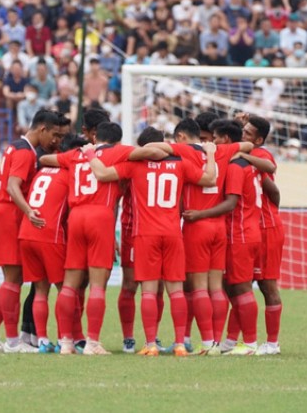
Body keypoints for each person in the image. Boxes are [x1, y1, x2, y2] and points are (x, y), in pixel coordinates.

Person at [85, 126, 217, 356]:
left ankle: (150, 344)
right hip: (174, 232)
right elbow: (209, 178)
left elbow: (103, 174)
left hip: (145, 234)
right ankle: (178, 344)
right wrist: (212, 153)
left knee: (147, 290)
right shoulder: (180, 164)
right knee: (175, 291)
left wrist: (89, 155)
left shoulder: (135, 165)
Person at [39, 121, 164, 355]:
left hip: (75, 217)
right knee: (98, 284)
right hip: (100, 216)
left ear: (95, 138)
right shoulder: (118, 151)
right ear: (117, 140)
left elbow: (45, 160)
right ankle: (92, 343)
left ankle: (65, 342)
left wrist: (77, 159)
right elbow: (153, 152)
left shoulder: (76, 154)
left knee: (69, 284)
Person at [148, 117, 255, 355]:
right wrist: (217, 151)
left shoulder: (182, 150)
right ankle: (216, 342)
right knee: (216, 287)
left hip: (197, 223)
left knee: (198, 288)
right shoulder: (223, 150)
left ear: (182, 137)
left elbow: (155, 148)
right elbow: (248, 146)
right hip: (219, 227)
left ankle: (207, 343)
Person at [0, 109, 68, 354]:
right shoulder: (25, 152)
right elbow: (10, 186)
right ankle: (12, 342)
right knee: (13, 280)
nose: (55, 142)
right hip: (10, 215)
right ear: (42, 129)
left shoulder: (14, 146)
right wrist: (28, 210)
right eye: (54, 135)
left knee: (12, 280)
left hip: (2, 211)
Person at [19, 133, 87, 353]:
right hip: (50, 234)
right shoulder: (70, 173)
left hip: (27, 232)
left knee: (40, 290)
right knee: (65, 289)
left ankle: (42, 341)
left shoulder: (42, 170)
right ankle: (64, 339)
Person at [208, 119, 262, 355]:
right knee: (234, 288)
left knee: (241, 289)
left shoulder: (236, 167)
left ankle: (250, 343)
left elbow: (231, 203)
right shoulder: (247, 164)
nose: (212, 142)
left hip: (240, 233)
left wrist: (200, 214)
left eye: (215, 138)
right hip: (247, 231)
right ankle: (231, 341)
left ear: (227, 141)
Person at [240, 115, 284, 355]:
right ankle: (242, 340)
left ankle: (272, 343)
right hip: (249, 230)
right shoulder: (242, 151)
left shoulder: (260, 155)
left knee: (267, 285)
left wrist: (269, 215)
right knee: (240, 284)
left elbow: (274, 189)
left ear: (258, 140)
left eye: (248, 133)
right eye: (242, 131)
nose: (243, 135)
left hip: (267, 229)